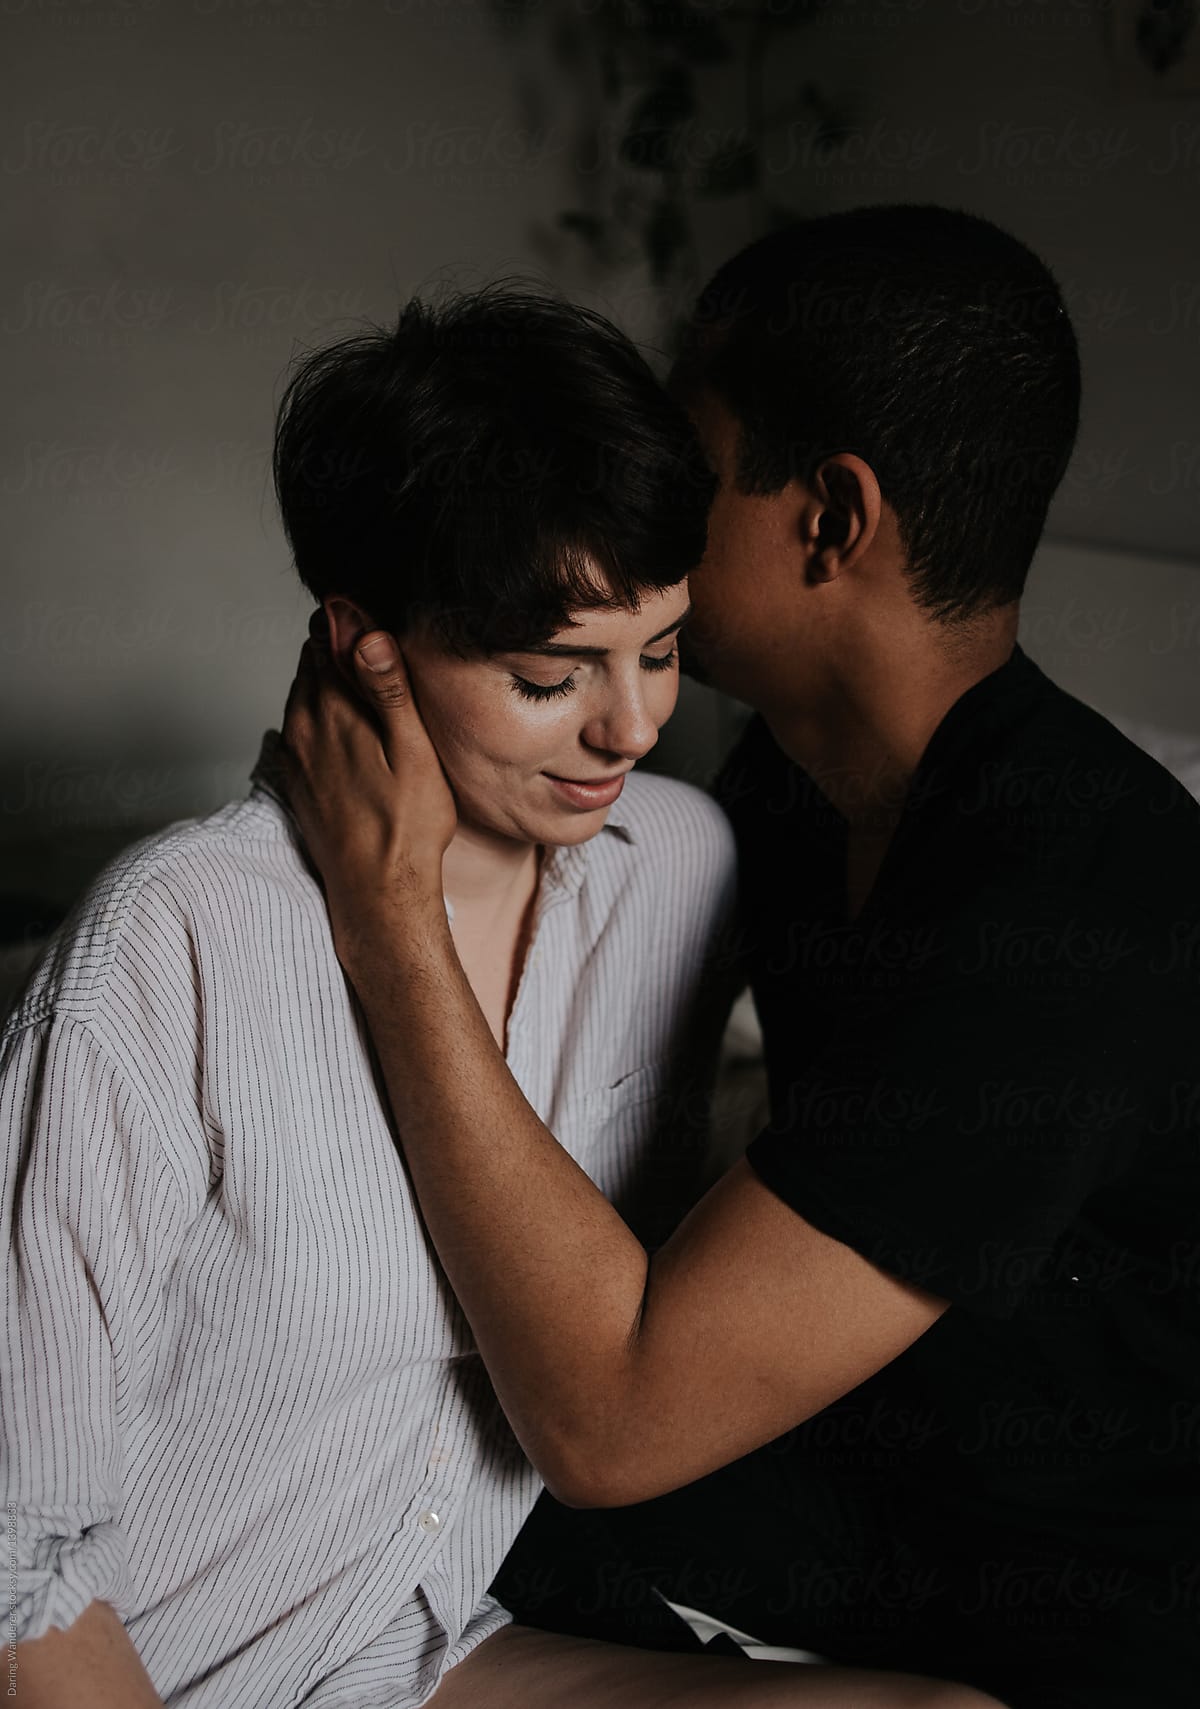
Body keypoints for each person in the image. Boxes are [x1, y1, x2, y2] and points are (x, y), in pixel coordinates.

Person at [0, 286, 990, 1709]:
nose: (631, 728)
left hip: (412, 1653)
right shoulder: (178, 937)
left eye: (659, 651)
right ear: (366, 642)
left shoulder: (685, 868)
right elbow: (12, 1551)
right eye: (549, 675)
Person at [272, 205, 1200, 1709]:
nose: (636, 502)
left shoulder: (1072, 904)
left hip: (1071, 1608)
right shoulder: (782, 788)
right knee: (344, 1508)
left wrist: (391, 924)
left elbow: (613, 1419)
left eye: (683, 464)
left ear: (829, 517)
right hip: (864, 1477)